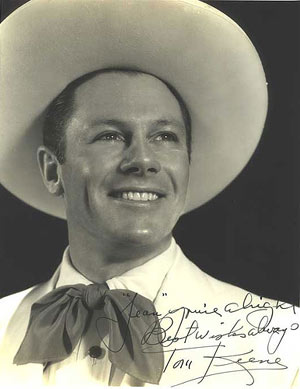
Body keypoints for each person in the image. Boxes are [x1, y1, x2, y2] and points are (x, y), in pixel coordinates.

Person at [0, 0, 299, 387]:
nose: (143, 160)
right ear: (53, 170)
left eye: (165, 137)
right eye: (109, 135)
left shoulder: (287, 344)